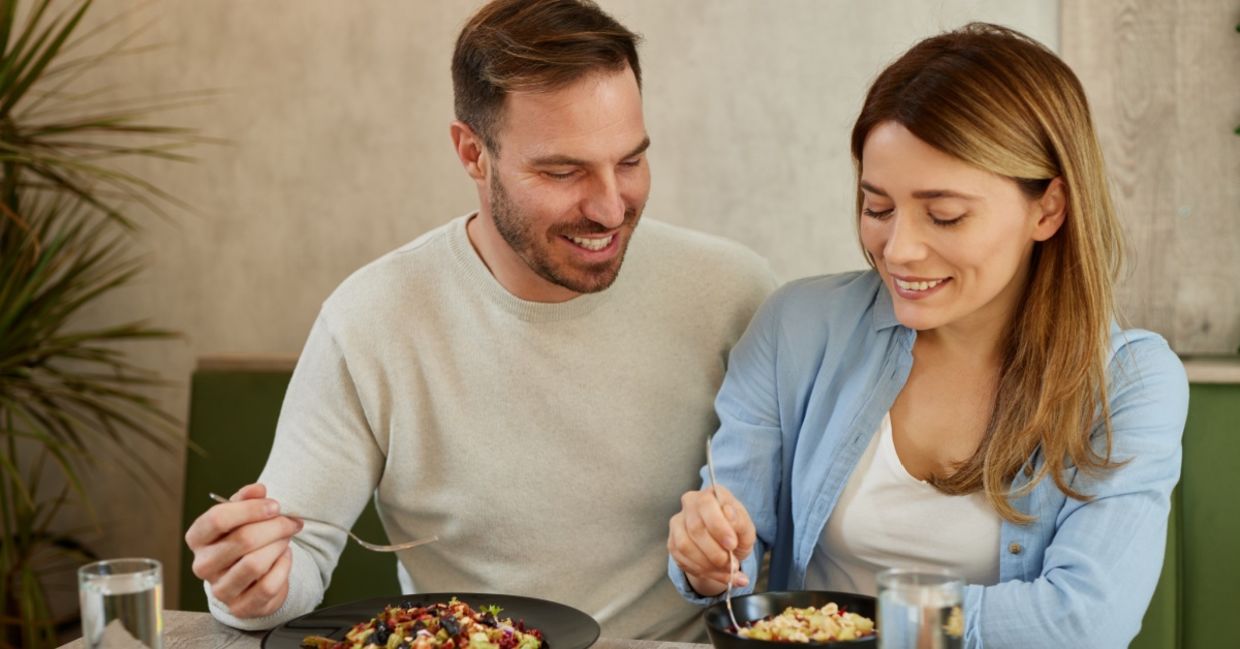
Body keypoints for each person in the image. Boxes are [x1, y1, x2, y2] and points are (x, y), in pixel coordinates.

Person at [185, 0, 775, 640]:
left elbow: (795, 534)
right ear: (473, 152)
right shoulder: (372, 320)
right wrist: (250, 584)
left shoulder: (734, 296)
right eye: (562, 171)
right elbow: (294, 563)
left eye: (630, 161)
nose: (610, 207)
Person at [667, 23, 1187, 648]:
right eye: (878, 208)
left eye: (945, 215)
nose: (899, 249)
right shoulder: (796, 328)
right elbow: (732, 559)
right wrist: (709, 558)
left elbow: (1083, 621)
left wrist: (860, 628)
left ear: (1048, 209)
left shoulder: (1128, 382)